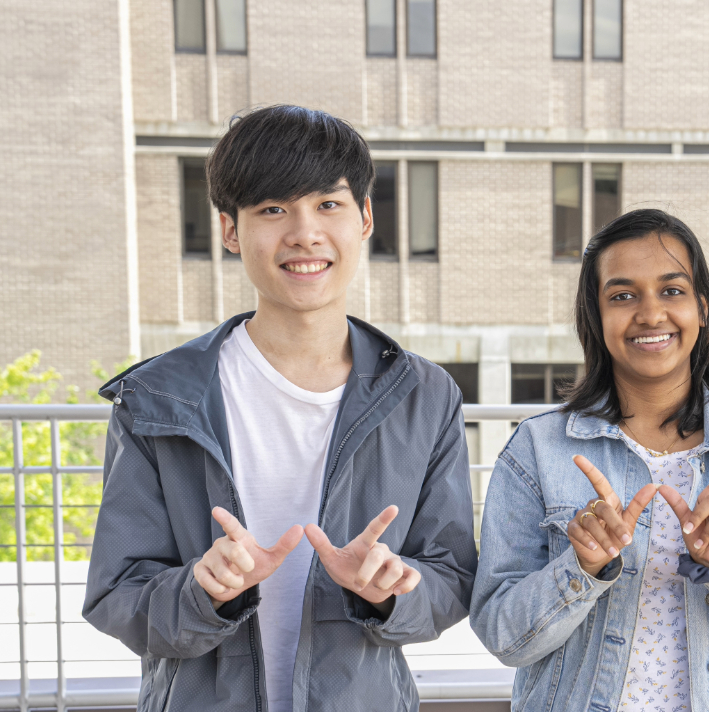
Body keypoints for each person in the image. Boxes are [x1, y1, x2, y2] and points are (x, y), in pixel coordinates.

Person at [82, 105, 477, 712]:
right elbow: (116, 595)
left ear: (365, 217)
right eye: (273, 209)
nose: (304, 233)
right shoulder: (159, 397)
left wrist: (388, 592)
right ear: (230, 230)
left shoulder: (424, 396)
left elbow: (450, 580)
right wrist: (201, 591)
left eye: (328, 204)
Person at [470, 209, 709, 711]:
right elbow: (502, 636)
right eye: (622, 296)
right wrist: (581, 567)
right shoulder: (537, 450)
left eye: (672, 290)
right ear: (596, 318)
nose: (649, 314)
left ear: (701, 308)